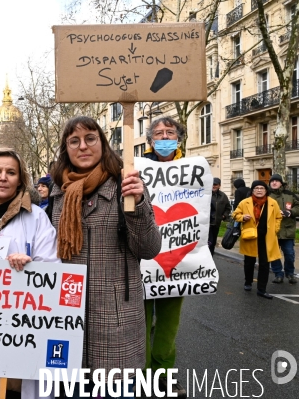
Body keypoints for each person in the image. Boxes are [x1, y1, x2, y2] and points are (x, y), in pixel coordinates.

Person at [45, 116, 161, 398]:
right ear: (66, 148)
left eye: (90, 138)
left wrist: (139, 205)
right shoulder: (58, 192)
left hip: (115, 328)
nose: (82, 146)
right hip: (67, 324)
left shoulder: (125, 185)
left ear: (103, 143)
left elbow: (149, 248)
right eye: (74, 141)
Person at [0, 148, 59, 399]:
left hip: (23, 321)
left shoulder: (37, 216)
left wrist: (30, 264)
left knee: (19, 384)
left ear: (20, 179)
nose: (3, 177)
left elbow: (52, 265)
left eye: (11, 172)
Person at [142, 117, 189, 397]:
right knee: (141, 322)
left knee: (169, 324)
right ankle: (141, 372)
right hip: (143, 259)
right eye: (158, 133)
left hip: (179, 259)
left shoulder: (192, 169)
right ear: (149, 141)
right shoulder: (136, 169)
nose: (164, 137)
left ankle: (164, 374)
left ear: (179, 138)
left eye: (170, 132)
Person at [232, 180, 282, 299]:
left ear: (266, 190)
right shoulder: (245, 202)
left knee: (265, 264)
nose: (259, 190)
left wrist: (275, 229)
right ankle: (248, 282)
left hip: (266, 238)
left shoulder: (272, 203)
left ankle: (261, 289)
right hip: (250, 237)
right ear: (252, 190)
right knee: (249, 262)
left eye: (262, 188)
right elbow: (235, 214)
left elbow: (278, 217)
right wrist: (242, 217)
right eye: (256, 188)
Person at [267, 174, 298, 284]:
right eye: (272, 181)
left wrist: (290, 212)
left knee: (289, 254)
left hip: (287, 229)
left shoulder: (290, 194)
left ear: (281, 183)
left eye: (276, 181)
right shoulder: (266, 195)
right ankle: (278, 274)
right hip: (271, 230)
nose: (274, 183)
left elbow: (298, 206)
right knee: (274, 254)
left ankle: (290, 274)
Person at [208, 178, 231, 255]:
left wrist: (224, 216)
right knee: (207, 242)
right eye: (212, 184)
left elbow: (228, 208)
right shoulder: (205, 194)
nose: (213, 186)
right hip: (205, 223)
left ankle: (210, 257)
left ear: (219, 186)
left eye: (215, 184)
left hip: (216, 223)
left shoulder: (223, 196)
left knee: (212, 242)